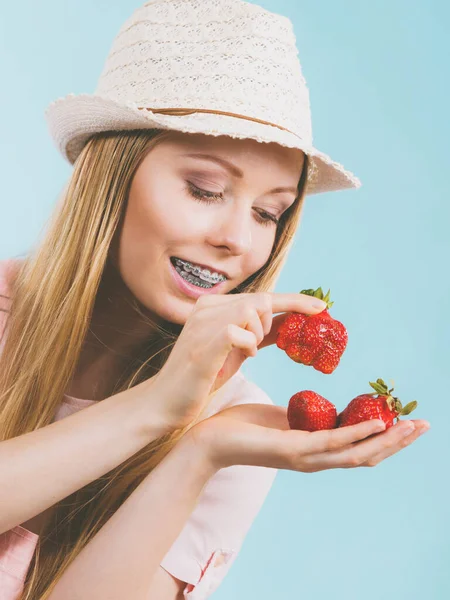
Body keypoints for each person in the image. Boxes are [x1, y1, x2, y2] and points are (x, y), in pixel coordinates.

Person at [0, 1, 430, 599]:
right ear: (112, 178)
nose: (236, 239)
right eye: (205, 190)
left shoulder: (234, 426)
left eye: (266, 213)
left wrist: (200, 451)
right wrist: (154, 409)